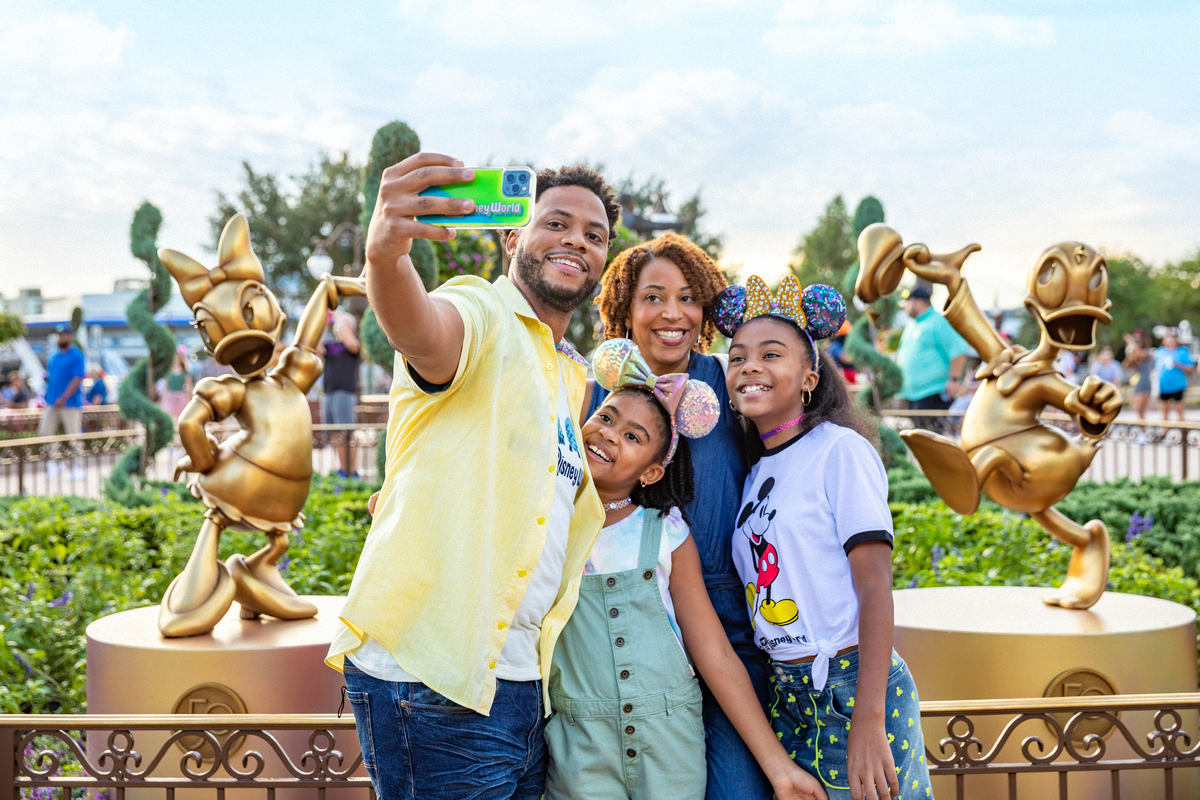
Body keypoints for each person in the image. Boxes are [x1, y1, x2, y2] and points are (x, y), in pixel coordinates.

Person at [328, 154, 618, 800]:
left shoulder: (567, 376)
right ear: (513, 235)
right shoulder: (482, 309)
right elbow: (423, 330)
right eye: (557, 223)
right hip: (435, 678)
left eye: (595, 235)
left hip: (515, 685)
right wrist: (385, 258)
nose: (577, 240)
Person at [545, 338, 824, 800]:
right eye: (606, 418)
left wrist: (778, 768)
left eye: (634, 437)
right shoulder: (545, 521)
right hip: (579, 749)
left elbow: (714, 653)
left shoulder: (667, 534)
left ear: (652, 473)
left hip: (671, 749)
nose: (611, 434)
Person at [717, 275, 932, 800]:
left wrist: (868, 717)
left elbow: (876, 587)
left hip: (849, 685)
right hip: (786, 695)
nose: (750, 367)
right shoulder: (755, 472)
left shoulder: (839, 451)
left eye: (771, 355)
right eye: (738, 356)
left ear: (809, 377)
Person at [587, 233, 775, 800]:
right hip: (631, 632)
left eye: (689, 297)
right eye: (653, 297)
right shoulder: (601, 390)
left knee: (738, 789)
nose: (673, 313)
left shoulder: (731, 381)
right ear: (625, 309)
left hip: (730, 623)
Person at [895, 285, 969, 412]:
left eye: (907, 302)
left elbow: (957, 351)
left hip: (932, 393)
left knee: (929, 430)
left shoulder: (938, 321)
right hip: (913, 394)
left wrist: (954, 380)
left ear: (917, 302)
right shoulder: (912, 325)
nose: (904, 307)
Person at [322, 310, 362, 477]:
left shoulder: (352, 346)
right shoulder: (330, 347)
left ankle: (351, 472)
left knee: (346, 433)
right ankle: (342, 471)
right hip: (329, 393)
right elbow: (316, 348)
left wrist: (339, 319)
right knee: (335, 434)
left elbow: (352, 343)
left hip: (344, 392)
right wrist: (323, 325)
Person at [39, 324, 86, 436]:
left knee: (73, 435)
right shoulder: (54, 356)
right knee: (44, 432)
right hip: (52, 401)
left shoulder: (77, 355)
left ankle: (78, 454)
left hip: (70, 402)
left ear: (71, 337)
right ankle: (53, 453)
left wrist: (64, 397)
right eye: (59, 335)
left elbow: (76, 379)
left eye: (64, 335)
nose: (61, 338)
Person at [1155, 331, 1194, 422]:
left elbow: (1190, 368)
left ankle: (1183, 431)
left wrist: (1178, 365)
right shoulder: (1160, 352)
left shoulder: (1183, 351)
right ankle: (1164, 432)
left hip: (1178, 385)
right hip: (1163, 385)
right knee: (1164, 411)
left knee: (1179, 409)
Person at [1123, 331, 1153, 420]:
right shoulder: (1133, 352)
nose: (1136, 341)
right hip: (1136, 384)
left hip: (1145, 383)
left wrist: (1131, 344)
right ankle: (1143, 431)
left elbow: (1141, 354)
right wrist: (1129, 353)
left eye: (1138, 339)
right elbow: (1126, 365)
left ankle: (1144, 431)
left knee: (1141, 410)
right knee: (1137, 409)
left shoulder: (1147, 352)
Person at [160, 346, 193, 418]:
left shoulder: (185, 372)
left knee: (181, 416)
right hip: (170, 396)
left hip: (181, 396)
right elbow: (165, 386)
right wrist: (162, 400)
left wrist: (189, 399)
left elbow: (188, 387)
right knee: (169, 415)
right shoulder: (168, 371)